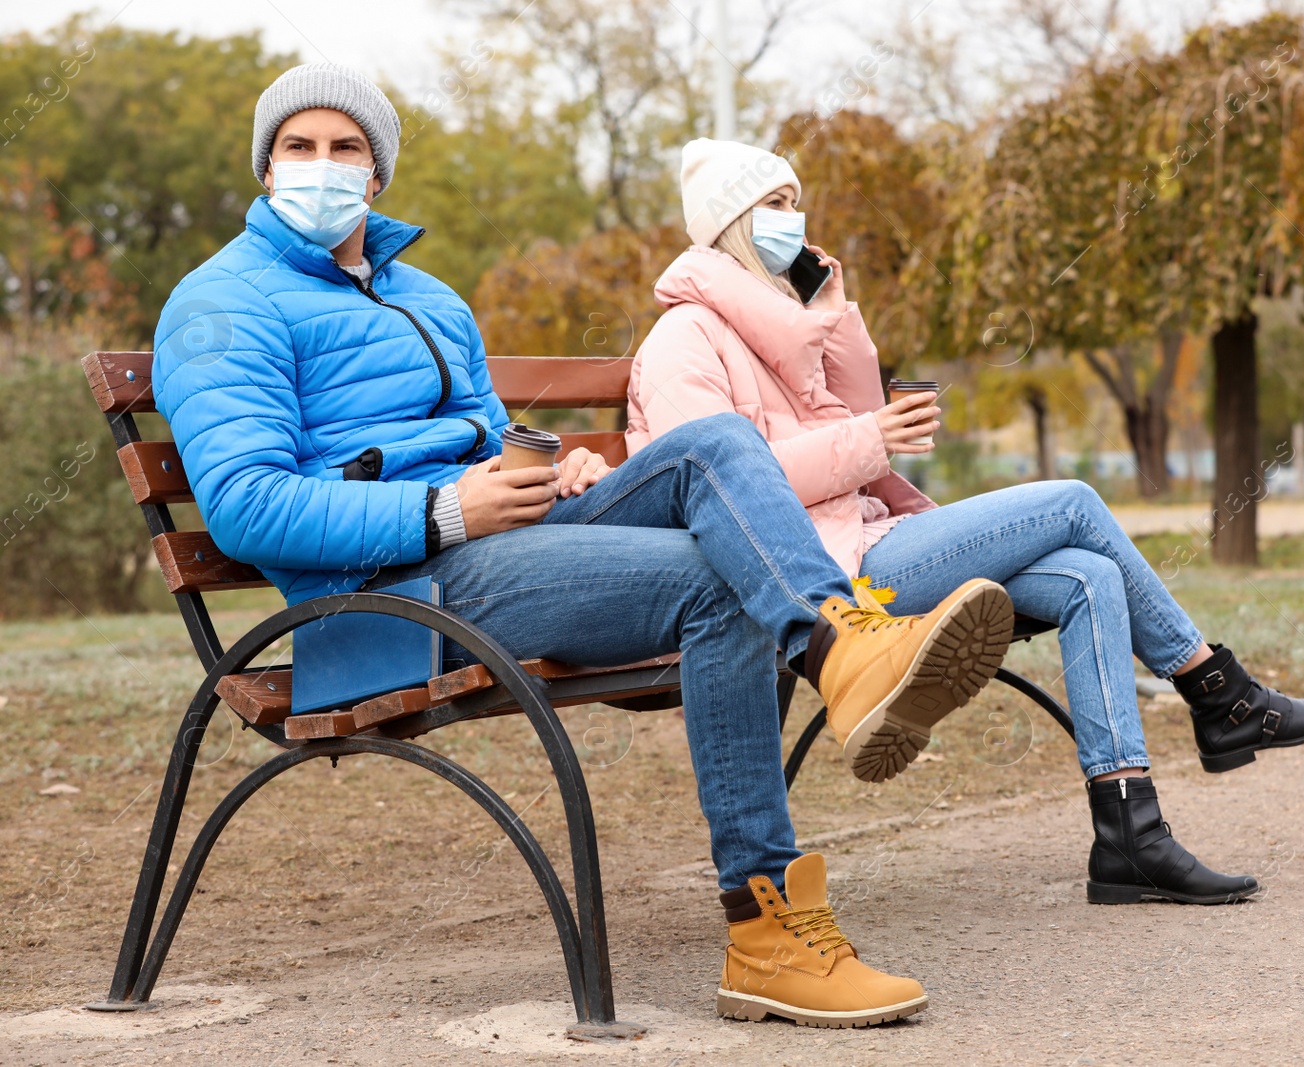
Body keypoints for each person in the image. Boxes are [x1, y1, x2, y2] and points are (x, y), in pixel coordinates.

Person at [153, 64, 1014, 1029]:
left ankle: (840, 644)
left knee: (717, 445)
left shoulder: (430, 298)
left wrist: (549, 467)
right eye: (297, 148)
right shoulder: (219, 304)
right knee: (717, 583)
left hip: (495, 537)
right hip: (389, 590)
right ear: (265, 170)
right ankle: (768, 927)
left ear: (378, 174)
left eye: (345, 147)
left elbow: (486, 439)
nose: (322, 166)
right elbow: (244, 507)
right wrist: (447, 512)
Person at [627, 138, 1304, 908]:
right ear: (733, 222)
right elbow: (732, 493)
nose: (797, 221)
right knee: (1073, 501)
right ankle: (1219, 693)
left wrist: (833, 320)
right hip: (823, 578)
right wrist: (870, 437)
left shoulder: (782, 325)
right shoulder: (683, 341)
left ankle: (1130, 834)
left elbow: (859, 402)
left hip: (870, 536)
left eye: (795, 203)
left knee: (1090, 575)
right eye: (775, 206)